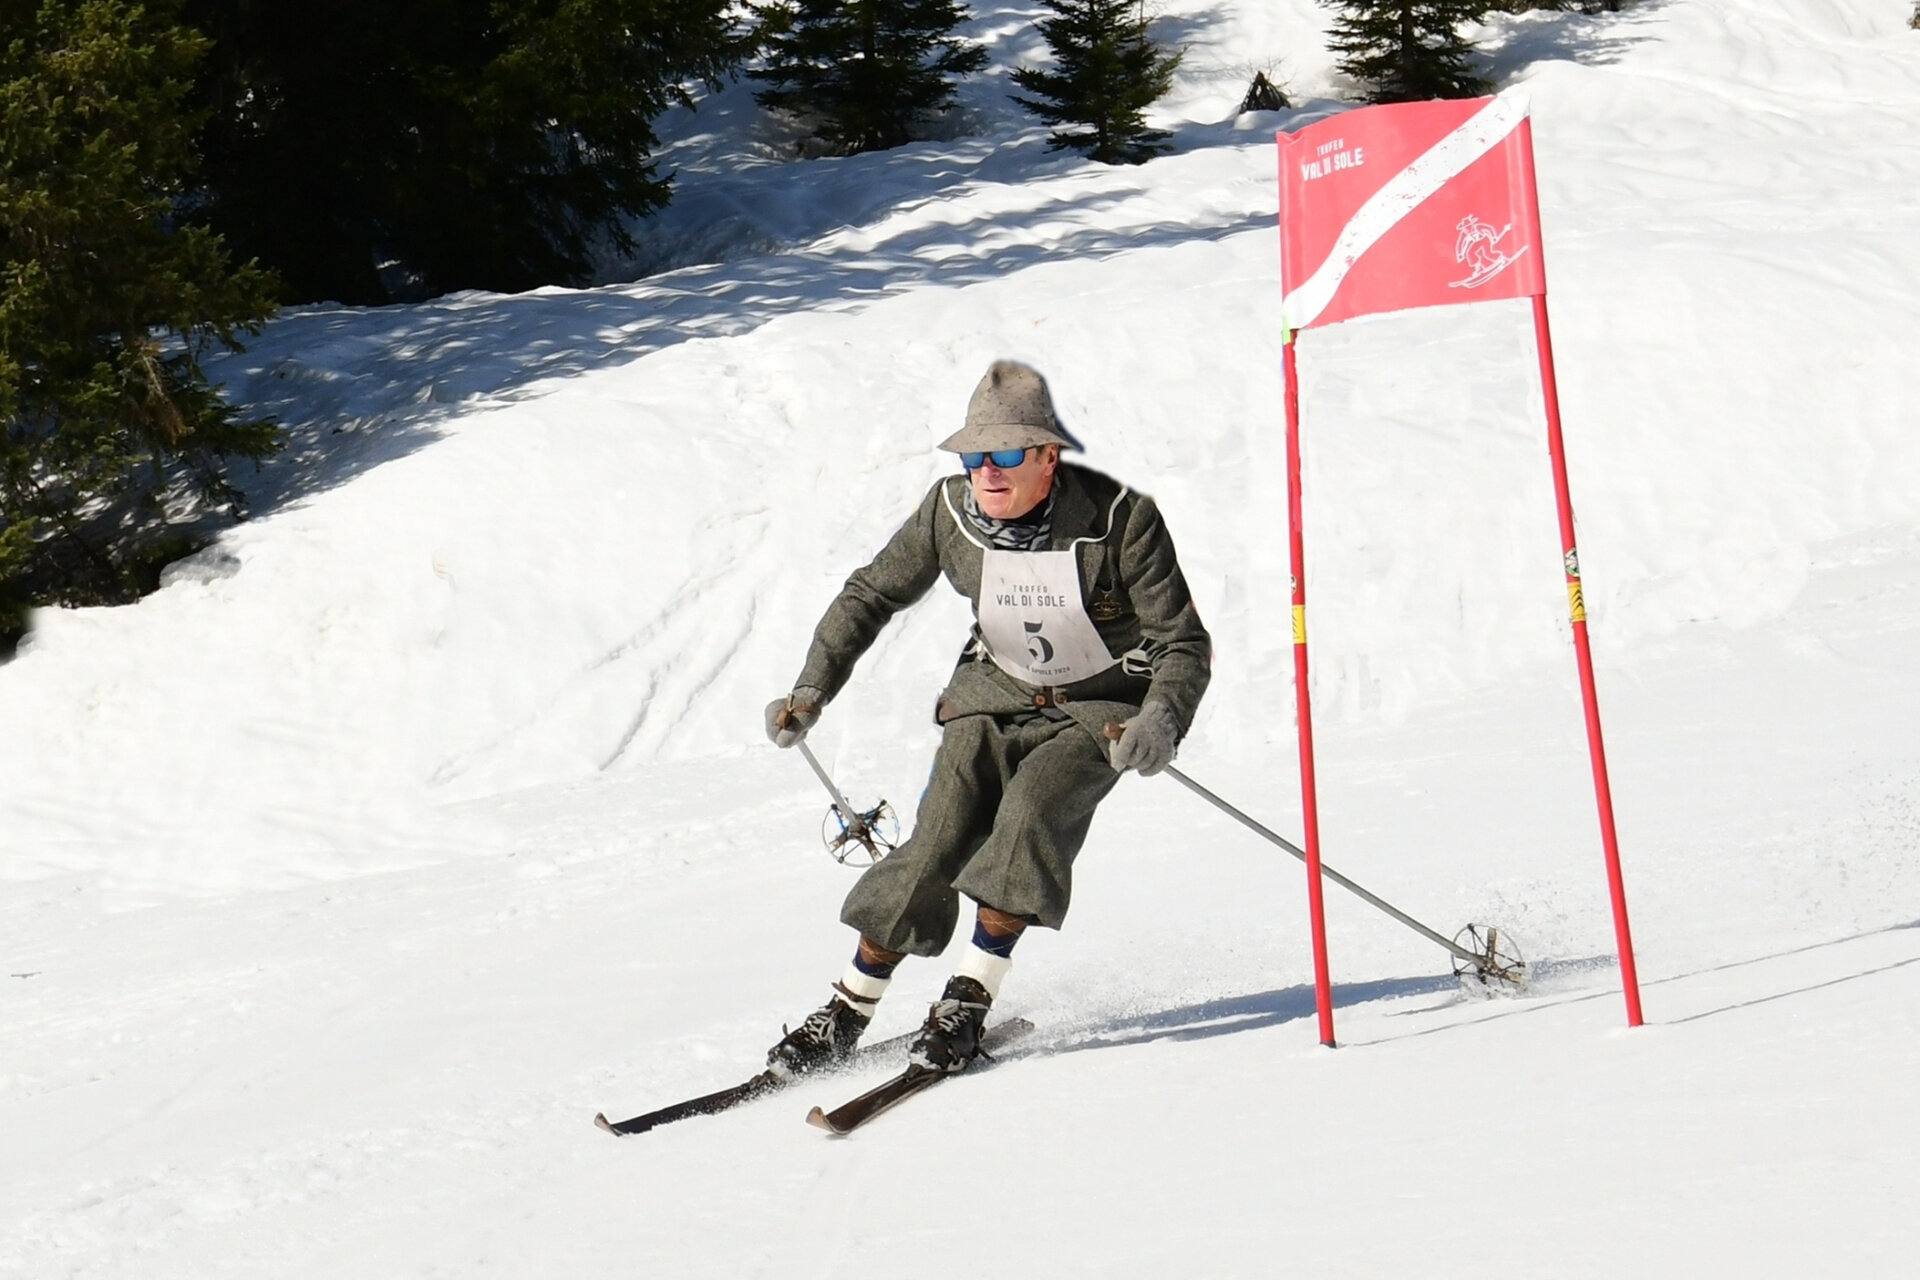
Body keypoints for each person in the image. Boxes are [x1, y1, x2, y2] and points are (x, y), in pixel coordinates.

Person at [763, 360, 1211, 1077]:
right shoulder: (948, 513)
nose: (987, 473)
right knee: (938, 836)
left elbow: (1181, 644)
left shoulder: (1122, 519)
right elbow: (871, 592)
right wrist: (811, 688)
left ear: (1048, 457)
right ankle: (845, 1013)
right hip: (989, 696)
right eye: (975, 456)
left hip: (1095, 714)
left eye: (1005, 455)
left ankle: (966, 1003)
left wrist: (1159, 721)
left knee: (1030, 813)